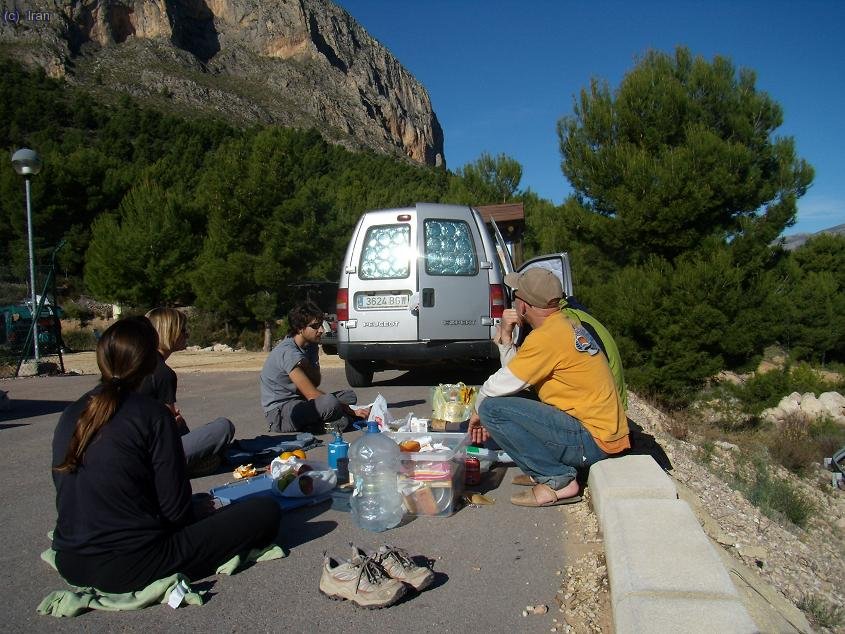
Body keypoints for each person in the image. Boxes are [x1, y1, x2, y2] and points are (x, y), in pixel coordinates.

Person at [51, 317, 280, 593]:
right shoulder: (152, 415)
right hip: (132, 564)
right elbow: (175, 513)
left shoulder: (71, 413)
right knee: (264, 510)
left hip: (71, 560)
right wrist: (196, 510)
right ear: (150, 362)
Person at [468, 268, 630, 507]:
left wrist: (476, 412)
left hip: (591, 440)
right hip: (602, 432)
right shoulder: (565, 325)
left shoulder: (547, 338)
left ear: (523, 305)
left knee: (491, 409)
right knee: (509, 399)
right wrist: (506, 336)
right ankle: (543, 468)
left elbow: (496, 387)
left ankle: (557, 479)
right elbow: (517, 377)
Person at [139, 308, 235, 477]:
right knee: (224, 426)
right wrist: (174, 420)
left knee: (183, 426)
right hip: (151, 456)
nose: (187, 334)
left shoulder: (141, 364)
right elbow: (167, 427)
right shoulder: (162, 373)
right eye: (182, 330)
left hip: (133, 447)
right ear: (168, 332)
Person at [260, 301, 368, 433]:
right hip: (281, 413)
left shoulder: (310, 346)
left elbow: (316, 382)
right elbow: (311, 394)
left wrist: (308, 364)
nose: (321, 330)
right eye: (315, 326)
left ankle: (329, 419)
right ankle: (324, 425)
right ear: (300, 328)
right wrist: (351, 410)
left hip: (301, 401)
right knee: (330, 403)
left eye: (321, 324)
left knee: (348, 396)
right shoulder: (288, 352)